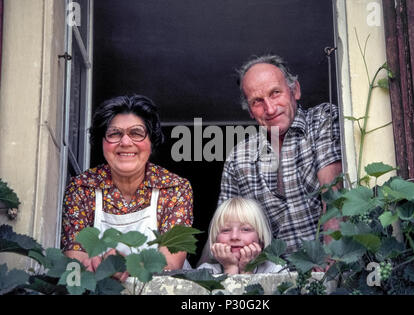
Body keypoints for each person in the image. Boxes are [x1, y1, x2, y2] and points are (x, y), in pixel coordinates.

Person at [218, 55, 342, 258]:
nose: (270, 108)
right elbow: (225, 229)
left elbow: (334, 197)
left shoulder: (323, 120)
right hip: (273, 281)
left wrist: (331, 261)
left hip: (329, 269)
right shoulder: (238, 158)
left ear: (295, 90)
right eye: (257, 101)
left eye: (275, 93)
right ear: (250, 111)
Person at [61, 95, 194, 280]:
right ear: (102, 141)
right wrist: (104, 267)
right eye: (114, 133)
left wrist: (130, 265)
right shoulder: (82, 188)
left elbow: (169, 264)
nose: (125, 142)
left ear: (151, 142)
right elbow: (75, 264)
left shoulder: (175, 189)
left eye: (136, 133)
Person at [197, 197, 285, 274]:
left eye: (245, 229)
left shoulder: (275, 271)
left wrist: (247, 270)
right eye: (226, 230)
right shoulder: (205, 272)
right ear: (215, 240)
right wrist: (230, 268)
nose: (234, 237)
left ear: (261, 240)